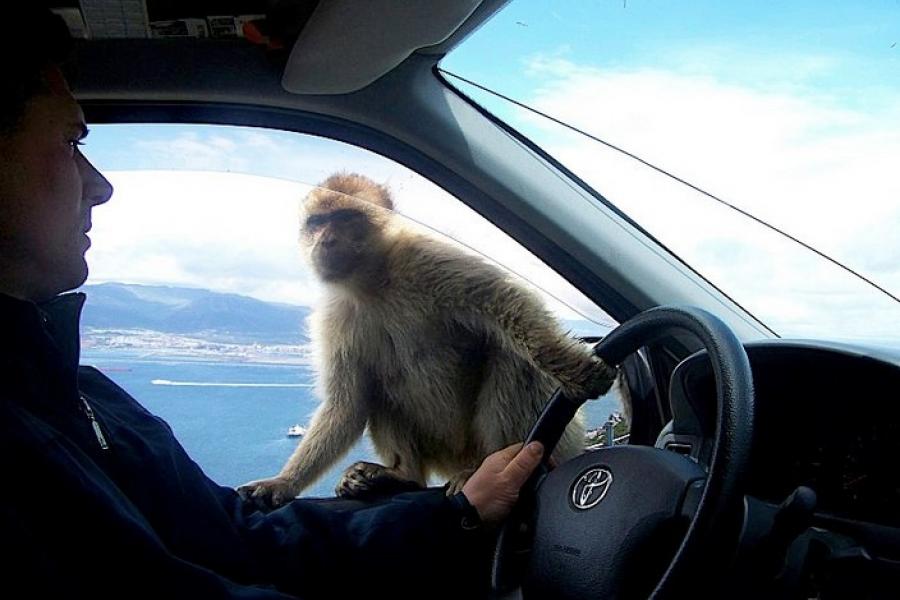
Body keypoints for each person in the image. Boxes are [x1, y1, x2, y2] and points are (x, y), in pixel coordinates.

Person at [0, 8, 545, 598]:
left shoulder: (82, 396)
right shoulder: (23, 424)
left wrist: (454, 515)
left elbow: (236, 540)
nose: (100, 186)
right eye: (71, 139)